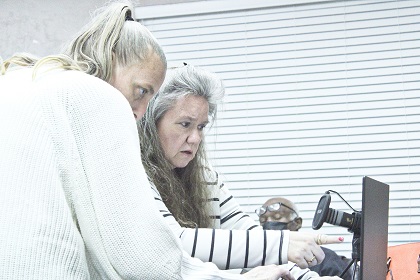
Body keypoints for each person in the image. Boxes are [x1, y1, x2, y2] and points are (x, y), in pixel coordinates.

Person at [0, 2, 296, 280]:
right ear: (112, 58)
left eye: (202, 126)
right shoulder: (99, 98)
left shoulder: (20, 81)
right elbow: (139, 253)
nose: (139, 113)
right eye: (142, 91)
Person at [138, 64, 344, 280]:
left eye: (200, 127)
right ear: (152, 123)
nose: (195, 138)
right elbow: (175, 241)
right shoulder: (135, 175)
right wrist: (282, 244)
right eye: (185, 124)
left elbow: (248, 236)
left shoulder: (207, 180)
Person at [257, 197, 355, 280]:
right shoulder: (258, 259)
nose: (269, 223)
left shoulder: (326, 259)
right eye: (263, 220)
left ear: (298, 223)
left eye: (277, 217)